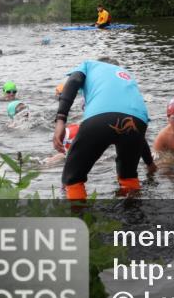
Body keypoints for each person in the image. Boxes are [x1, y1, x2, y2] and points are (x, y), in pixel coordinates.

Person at [52, 58, 156, 200]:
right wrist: (150, 164)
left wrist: (60, 120)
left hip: (101, 117)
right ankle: (133, 216)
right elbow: (138, 135)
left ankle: (79, 217)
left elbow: (74, 80)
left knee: (72, 178)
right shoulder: (126, 77)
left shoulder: (89, 65)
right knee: (128, 176)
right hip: (138, 120)